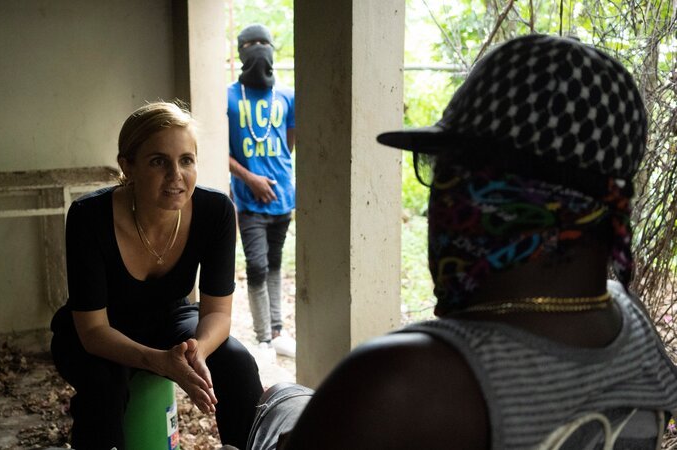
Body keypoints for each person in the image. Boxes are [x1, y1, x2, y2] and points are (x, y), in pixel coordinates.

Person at [244, 35, 677, 450]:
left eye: (447, 173)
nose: (440, 201)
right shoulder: (634, 325)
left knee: (279, 399)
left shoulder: (399, 382)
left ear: (499, 198)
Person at [49, 101, 264, 449]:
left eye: (186, 160)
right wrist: (160, 362)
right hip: (97, 331)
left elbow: (217, 314)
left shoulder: (215, 212)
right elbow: (92, 331)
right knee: (105, 384)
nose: (176, 175)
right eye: (158, 161)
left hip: (170, 319)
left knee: (236, 363)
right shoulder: (88, 216)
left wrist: (195, 352)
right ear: (128, 166)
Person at [228, 23, 297, 358]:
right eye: (250, 44)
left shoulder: (287, 96)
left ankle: (277, 330)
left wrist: (274, 175)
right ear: (241, 51)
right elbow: (219, 149)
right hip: (249, 201)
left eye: (263, 43)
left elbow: (290, 142)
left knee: (274, 263)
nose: (258, 48)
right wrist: (250, 178)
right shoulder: (228, 96)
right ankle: (263, 339)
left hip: (283, 197)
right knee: (255, 265)